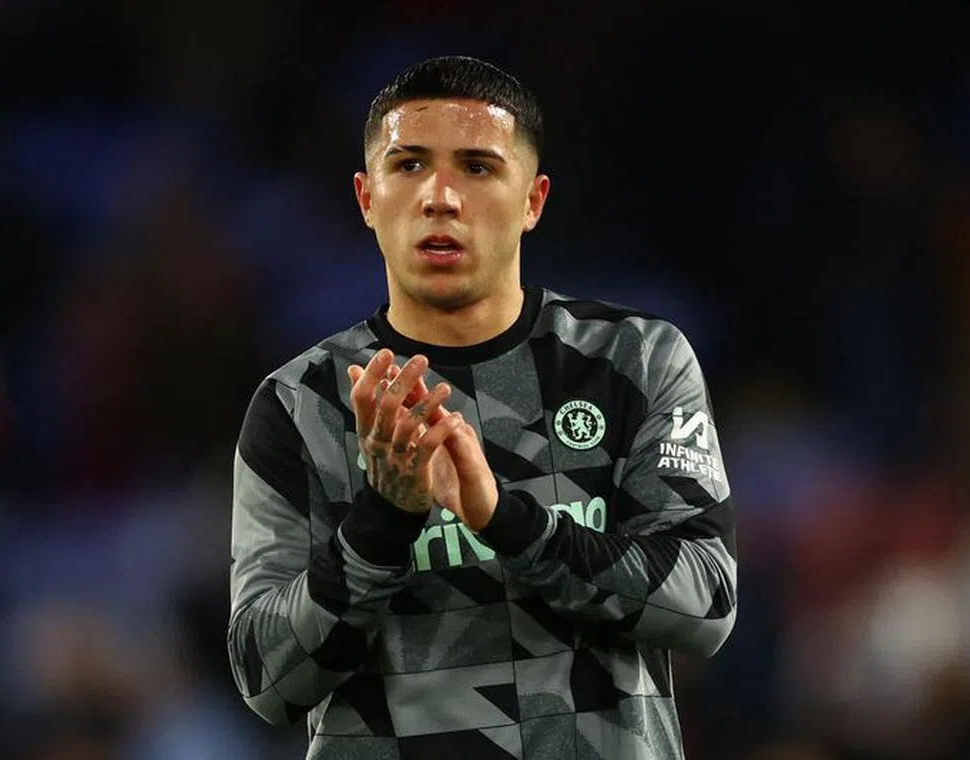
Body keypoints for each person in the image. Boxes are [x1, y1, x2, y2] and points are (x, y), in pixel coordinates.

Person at [228, 54, 736, 759]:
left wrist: (508, 522)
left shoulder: (634, 363)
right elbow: (266, 679)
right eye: (408, 165)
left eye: (477, 166)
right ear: (366, 196)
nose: (440, 195)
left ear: (533, 199)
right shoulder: (301, 404)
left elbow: (704, 603)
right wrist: (382, 521)